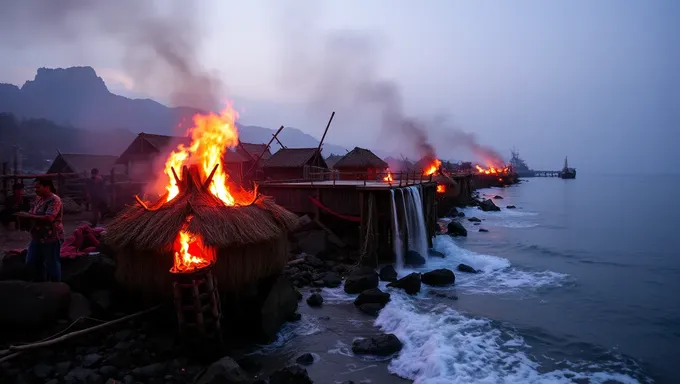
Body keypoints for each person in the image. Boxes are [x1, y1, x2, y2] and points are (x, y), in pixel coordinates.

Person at [15, 178, 64, 282]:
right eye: (35, 187)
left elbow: (50, 217)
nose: (36, 189)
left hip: (51, 237)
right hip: (37, 236)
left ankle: (57, 288)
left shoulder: (54, 200)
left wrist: (28, 216)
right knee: (32, 261)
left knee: (52, 264)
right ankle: (39, 285)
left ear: (47, 187)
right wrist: (25, 215)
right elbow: (33, 212)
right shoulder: (39, 198)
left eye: (38, 187)